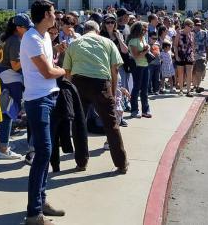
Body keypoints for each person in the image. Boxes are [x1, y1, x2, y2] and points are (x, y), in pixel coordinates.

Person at [21, 0, 66, 225]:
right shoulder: (31, 38)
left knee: (46, 153)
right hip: (38, 101)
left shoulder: (45, 37)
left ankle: (41, 200)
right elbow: (48, 72)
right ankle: (33, 213)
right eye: (53, 12)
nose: (56, 15)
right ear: (45, 15)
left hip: (50, 97)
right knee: (42, 153)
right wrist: (66, 70)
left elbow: (48, 66)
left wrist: (57, 54)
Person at [64, 20, 129, 174]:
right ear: (97, 31)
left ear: (85, 30)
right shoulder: (107, 42)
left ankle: (81, 162)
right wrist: (112, 92)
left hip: (79, 83)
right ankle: (121, 163)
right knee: (111, 124)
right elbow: (115, 71)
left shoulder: (74, 43)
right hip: (101, 84)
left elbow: (67, 73)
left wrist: (69, 94)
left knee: (79, 125)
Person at [0, 14, 32, 159]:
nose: (28, 30)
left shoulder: (2, 36)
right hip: (10, 77)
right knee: (8, 113)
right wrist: (28, 56)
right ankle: (3, 148)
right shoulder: (15, 39)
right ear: (18, 28)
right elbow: (16, 65)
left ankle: (3, 144)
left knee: (4, 111)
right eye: (26, 28)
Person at [99, 14, 130, 127]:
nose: (110, 24)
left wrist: (119, 39)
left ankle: (119, 117)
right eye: (108, 22)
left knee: (118, 91)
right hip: (105, 66)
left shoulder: (119, 34)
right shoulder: (101, 35)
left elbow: (125, 50)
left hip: (116, 66)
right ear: (104, 24)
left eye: (112, 22)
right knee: (108, 91)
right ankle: (108, 117)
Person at [127, 22, 151, 118]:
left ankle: (145, 110)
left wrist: (147, 47)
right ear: (138, 30)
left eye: (146, 29)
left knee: (145, 89)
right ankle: (134, 110)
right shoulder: (133, 41)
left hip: (145, 65)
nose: (145, 31)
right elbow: (136, 55)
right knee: (136, 88)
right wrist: (146, 51)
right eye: (143, 29)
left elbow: (144, 50)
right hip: (137, 66)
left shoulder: (143, 38)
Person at [174, 19, 196, 96]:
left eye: (192, 26)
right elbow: (175, 45)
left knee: (189, 73)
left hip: (189, 55)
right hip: (180, 55)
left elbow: (193, 45)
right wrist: (176, 56)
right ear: (186, 26)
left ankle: (188, 91)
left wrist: (194, 54)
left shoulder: (192, 34)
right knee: (180, 73)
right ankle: (181, 90)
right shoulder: (179, 33)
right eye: (190, 26)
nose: (192, 28)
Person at [192, 19, 208, 93]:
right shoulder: (190, 33)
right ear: (194, 25)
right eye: (196, 25)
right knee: (193, 73)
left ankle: (197, 86)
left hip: (201, 55)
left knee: (199, 72)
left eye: (199, 25)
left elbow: (207, 45)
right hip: (191, 56)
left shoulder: (204, 33)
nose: (198, 26)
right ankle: (194, 85)